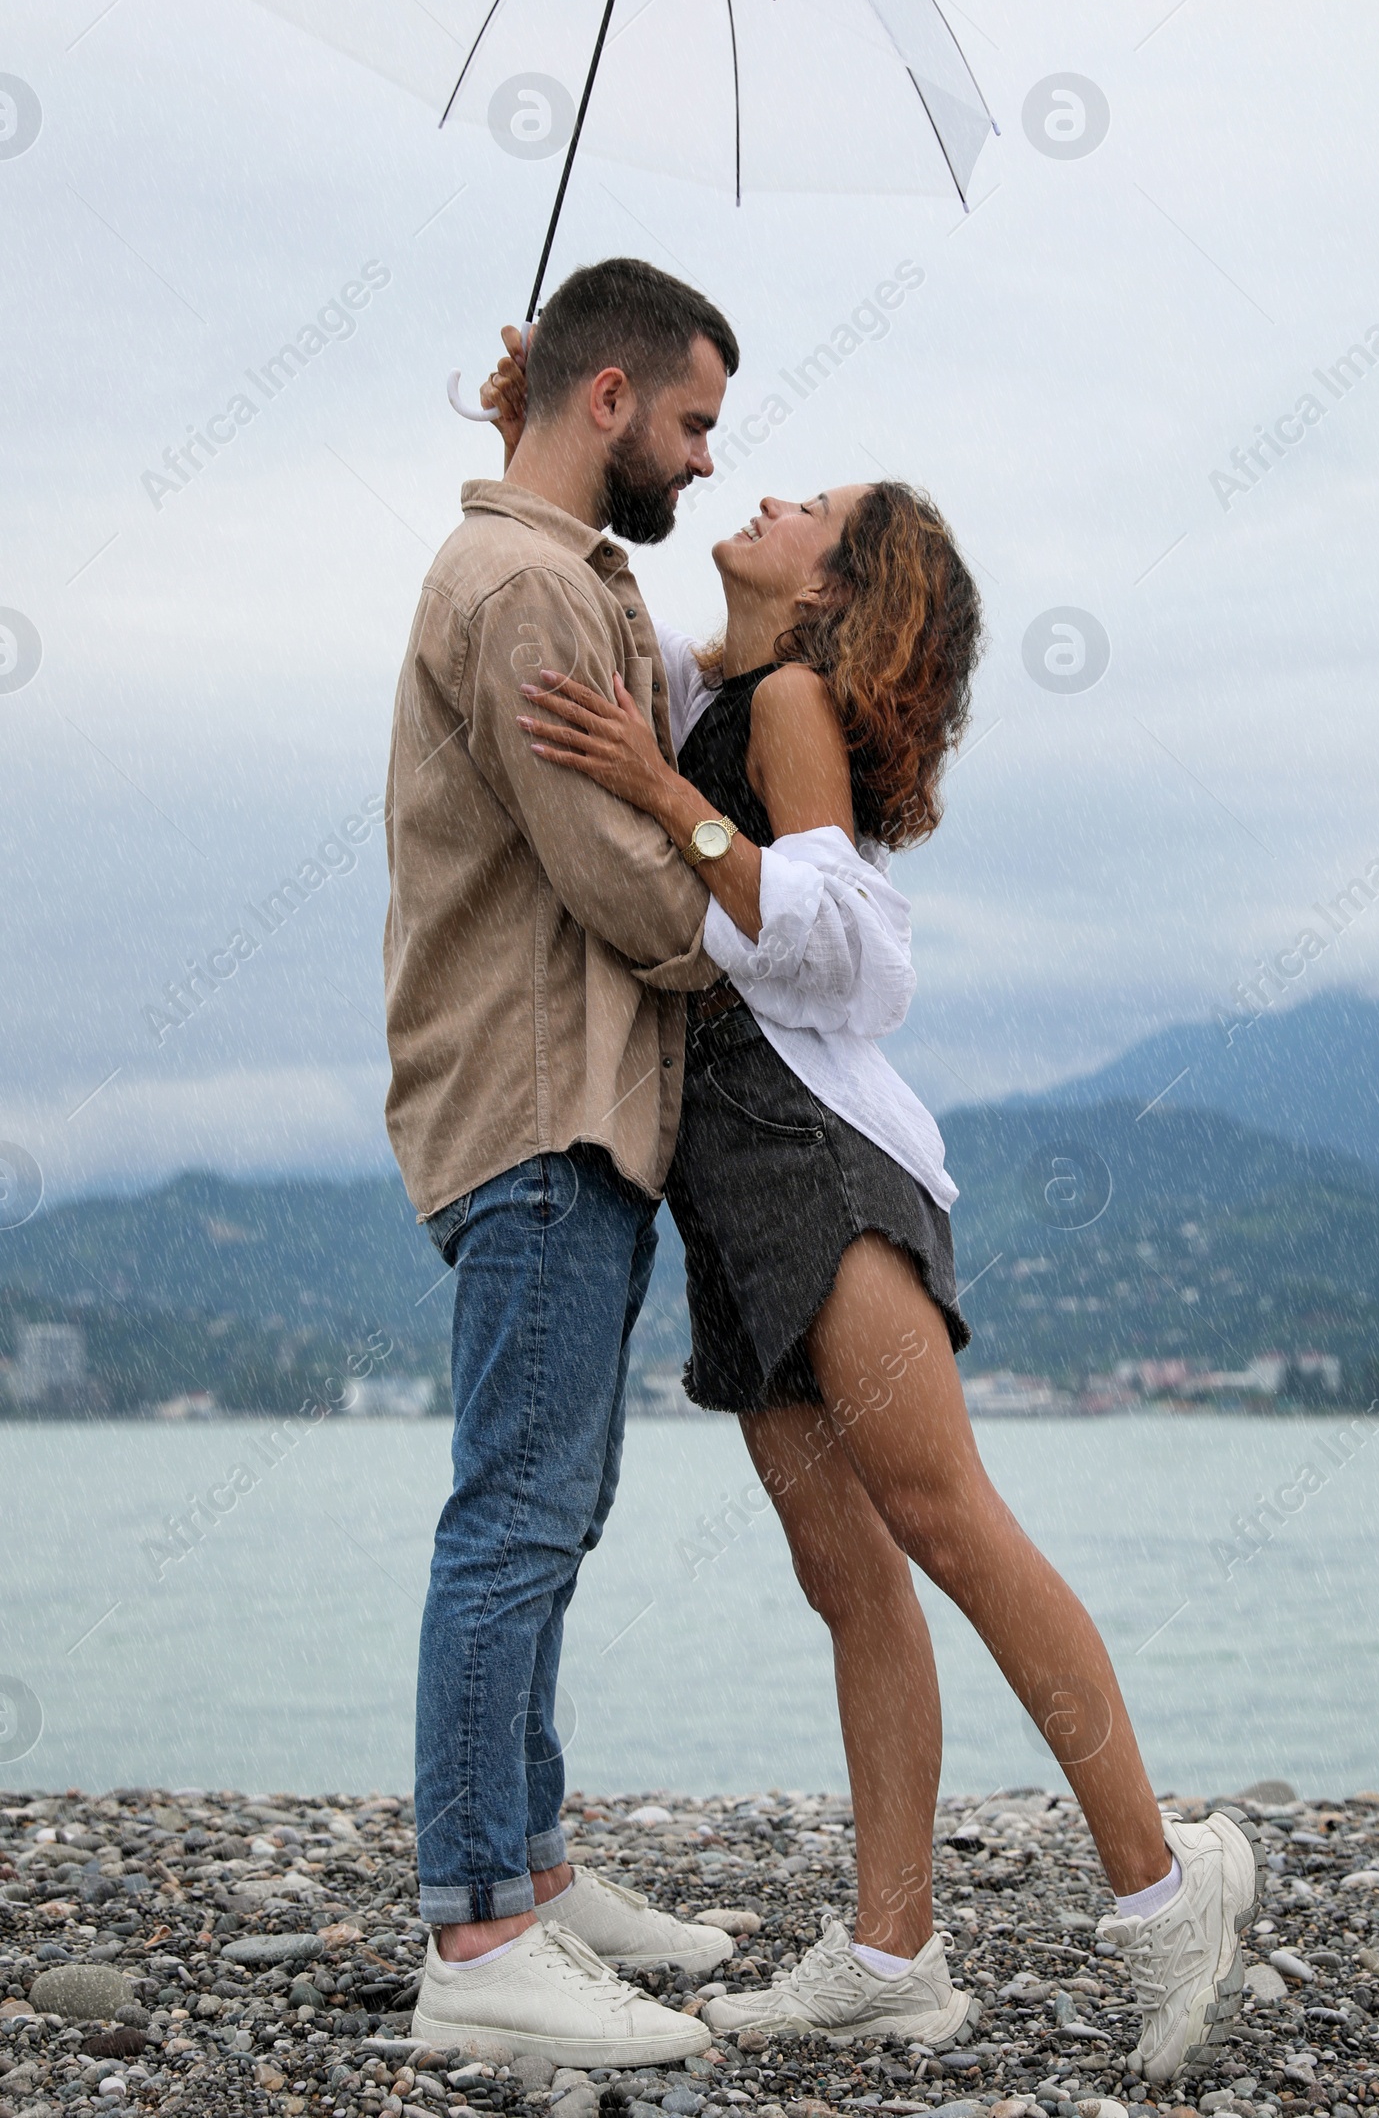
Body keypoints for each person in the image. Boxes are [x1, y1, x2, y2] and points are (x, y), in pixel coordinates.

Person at [508, 430, 1262, 2083]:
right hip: (733, 1188)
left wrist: (654, 793)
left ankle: (1160, 1886)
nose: (767, 496)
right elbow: (593, 583)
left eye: (813, 511)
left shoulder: (781, 708)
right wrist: (528, 425)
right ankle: (891, 1955)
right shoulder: (716, 679)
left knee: (946, 1523)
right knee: (850, 1577)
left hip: (816, 1163)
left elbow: (851, 951)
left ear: (836, 589)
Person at [384, 259, 756, 2067]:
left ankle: (528, 1857)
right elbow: (612, 872)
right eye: (689, 421)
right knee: (516, 1515)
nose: (702, 460)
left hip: (578, 1103)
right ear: (606, 404)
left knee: (558, 1505)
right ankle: (479, 1941)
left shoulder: (556, 571)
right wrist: (740, 926)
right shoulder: (524, 582)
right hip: (537, 1099)